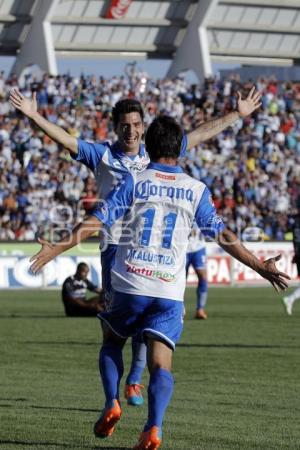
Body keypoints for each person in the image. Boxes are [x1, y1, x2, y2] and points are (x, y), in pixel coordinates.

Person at [30, 116, 289, 450]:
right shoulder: (196, 189)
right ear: (179, 150)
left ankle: (112, 402)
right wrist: (259, 265)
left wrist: (57, 247)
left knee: (111, 341)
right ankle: (153, 428)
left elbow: (98, 220)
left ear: (148, 145)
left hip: (130, 284)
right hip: (168, 290)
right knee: (161, 364)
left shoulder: (135, 181)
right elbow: (223, 235)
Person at [10, 86, 261, 406]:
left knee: (144, 322)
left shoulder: (155, 154)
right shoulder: (101, 155)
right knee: (123, 325)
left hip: (154, 249)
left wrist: (236, 115)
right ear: (115, 127)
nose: (131, 130)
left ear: (144, 126)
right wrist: (33, 115)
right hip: (116, 247)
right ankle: (127, 385)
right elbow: (66, 139)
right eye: (124, 125)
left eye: (136, 124)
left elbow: (198, 134)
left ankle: (133, 380)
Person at [186, 227, 208, 319]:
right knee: (180, 279)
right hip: (183, 248)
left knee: (203, 277)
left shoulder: (200, 213)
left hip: (199, 247)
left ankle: (200, 309)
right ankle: (179, 308)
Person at [283, 213, 300, 315]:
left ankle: (290, 299)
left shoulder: (295, 223)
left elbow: (294, 239)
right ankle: (290, 299)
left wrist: (296, 254)